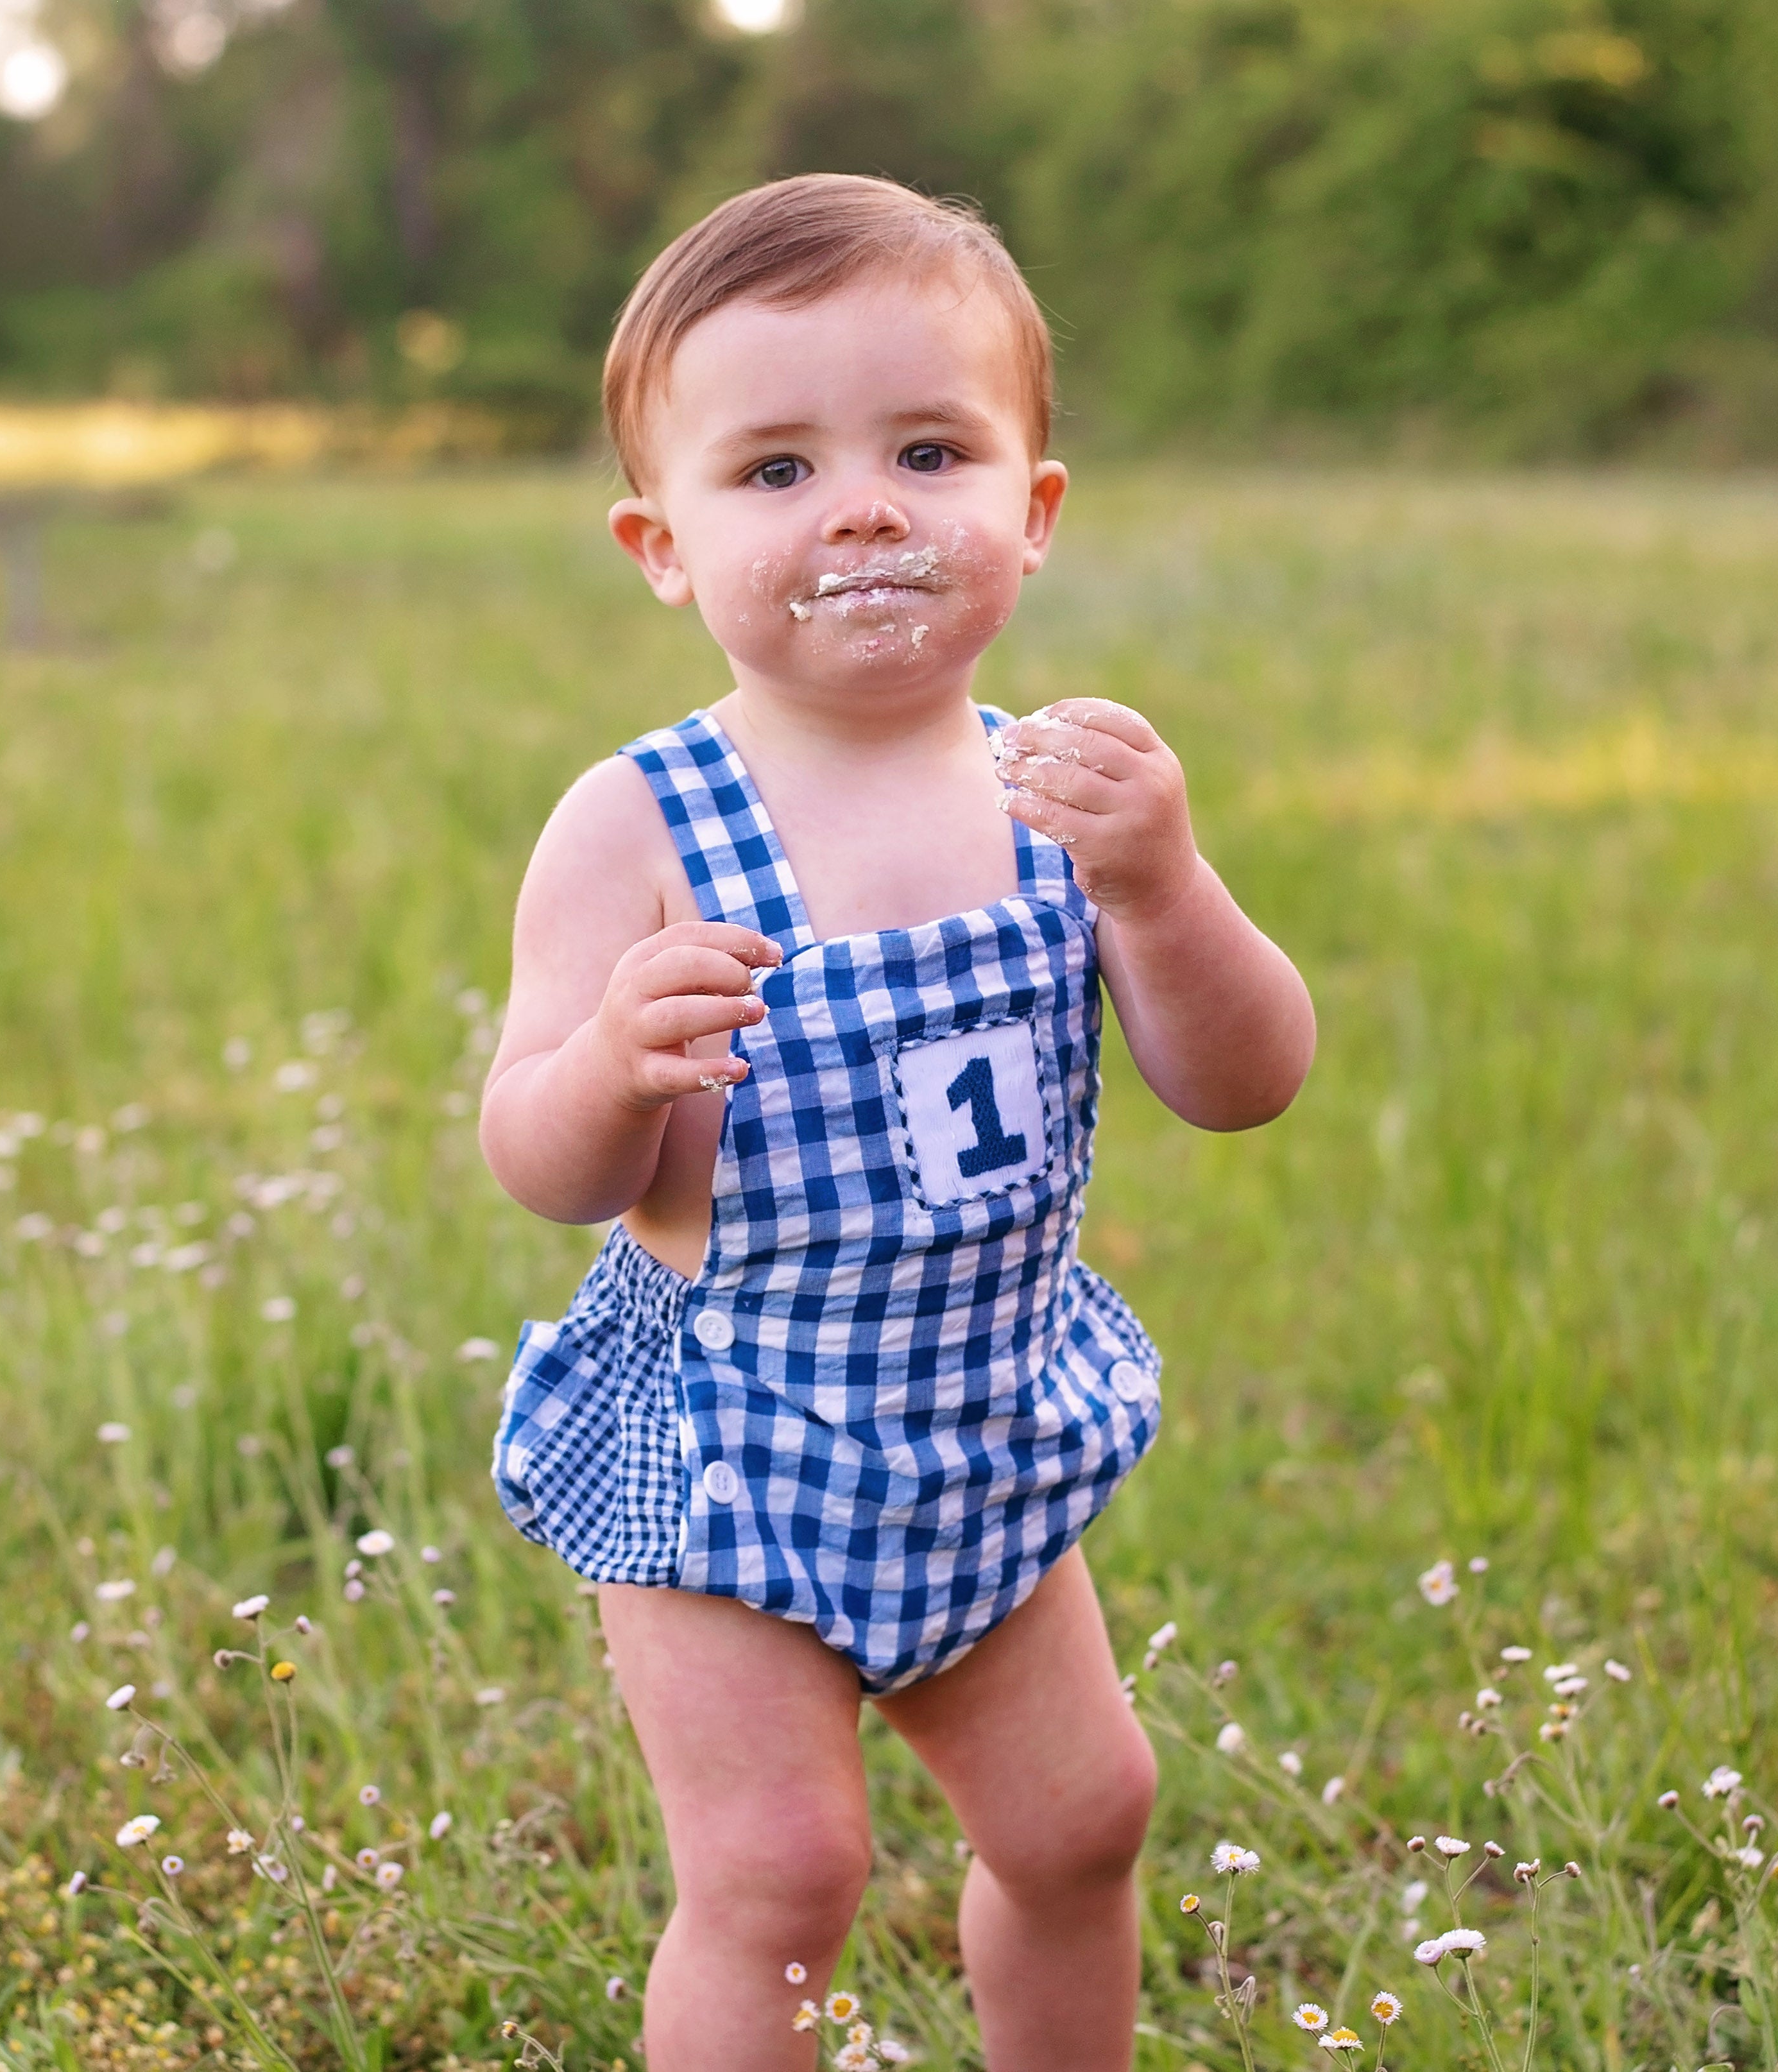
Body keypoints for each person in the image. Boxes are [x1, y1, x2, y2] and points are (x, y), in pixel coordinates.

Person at [479, 173, 1315, 2072]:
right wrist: (612, 1066)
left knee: (1084, 1817)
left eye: (926, 450)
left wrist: (1169, 892)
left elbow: (1245, 1079)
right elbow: (538, 1160)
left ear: (1028, 516)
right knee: (783, 1870)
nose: (859, 505)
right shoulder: (638, 825)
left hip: (980, 1423)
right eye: (771, 470)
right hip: (727, 1445)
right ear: (661, 545)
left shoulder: (1064, 798)